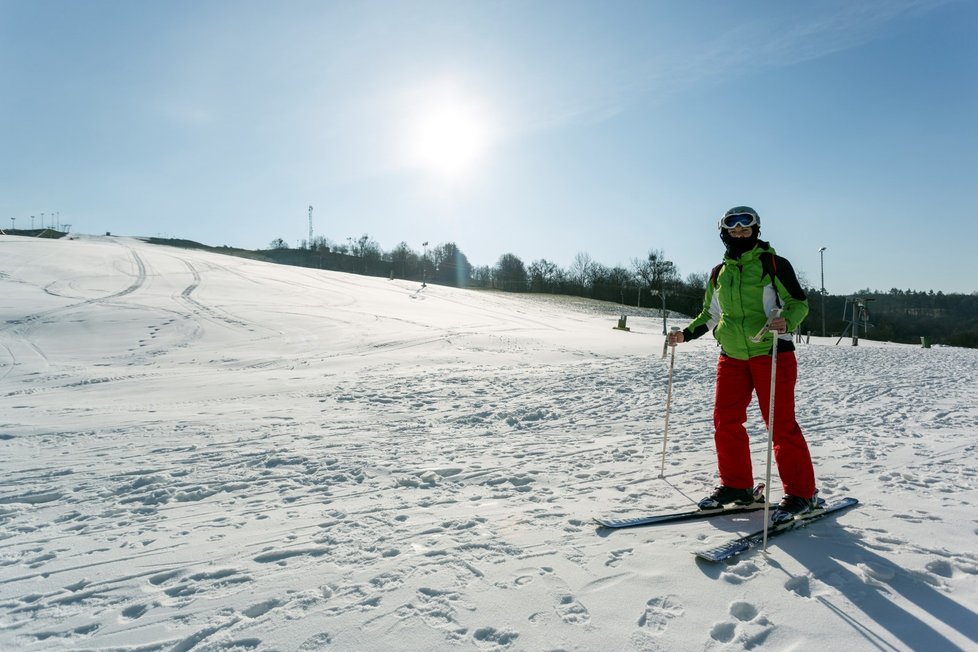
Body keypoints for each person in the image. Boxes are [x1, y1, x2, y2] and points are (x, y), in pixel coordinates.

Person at [667, 206, 817, 524]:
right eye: (733, 229)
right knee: (726, 422)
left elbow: (798, 303)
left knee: (780, 426)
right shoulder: (719, 273)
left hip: (772, 353)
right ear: (724, 233)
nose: (739, 233)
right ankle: (737, 487)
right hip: (732, 357)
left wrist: (786, 320)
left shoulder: (773, 264)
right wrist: (685, 335)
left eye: (745, 228)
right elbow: (711, 315)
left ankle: (803, 493)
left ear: (755, 230)